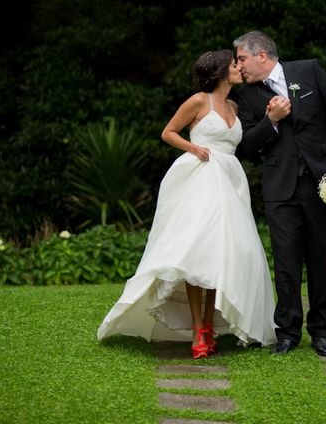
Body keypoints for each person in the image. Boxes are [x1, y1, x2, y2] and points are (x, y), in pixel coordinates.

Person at [97, 49, 277, 358]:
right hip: (201, 177)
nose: (239, 68)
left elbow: (245, 141)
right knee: (196, 251)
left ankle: (211, 322)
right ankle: (198, 328)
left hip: (231, 181)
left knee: (225, 253)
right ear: (221, 72)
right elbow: (168, 132)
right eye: (234, 64)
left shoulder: (235, 105)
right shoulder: (198, 101)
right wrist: (193, 148)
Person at [233, 31, 326, 356]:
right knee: (286, 262)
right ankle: (287, 332)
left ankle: (321, 331)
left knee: (321, 257)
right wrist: (271, 121)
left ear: (262, 55)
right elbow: (246, 144)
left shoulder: (309, 71)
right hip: (280, 186)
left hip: (322, 181)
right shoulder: (246, 97)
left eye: (242, 58)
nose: (238, 65)